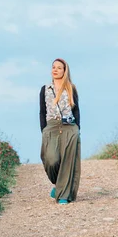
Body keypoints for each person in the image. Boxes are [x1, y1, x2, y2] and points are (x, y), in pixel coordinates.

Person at [39, 58, 81, 204]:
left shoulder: (71, 88)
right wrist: (44, 130)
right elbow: (42, 111)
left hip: (70, 127)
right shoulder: (45, 89)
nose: (55, 70)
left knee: (67, 161)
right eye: (53, 67)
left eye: (59, 68)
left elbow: (76, 110)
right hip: (51, 127)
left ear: (64, 71)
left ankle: (63, 195)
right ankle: (58, 185)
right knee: (51, 159)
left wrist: (78, 129)